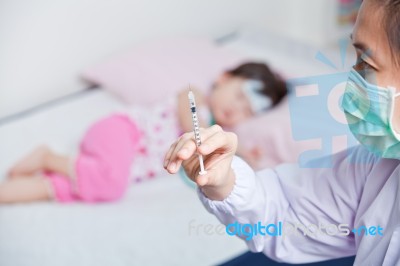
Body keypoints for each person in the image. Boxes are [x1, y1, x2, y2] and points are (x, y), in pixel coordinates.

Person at [164, 0, 400, 265]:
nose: (352, 82)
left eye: (367, 64)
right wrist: (226, 181)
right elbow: (284, 212)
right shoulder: (375, 167)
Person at [0, 62, 287, 204]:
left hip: (119, 165)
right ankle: (49, 157)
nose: (236, 110)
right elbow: (190, 122)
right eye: (238, 96)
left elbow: (221, 163)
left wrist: (245, 155)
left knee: (64, 188)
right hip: (121, 132)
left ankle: (24, 185)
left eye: (247, 111)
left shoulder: (219, 133)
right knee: (111, 186)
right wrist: (203, 137)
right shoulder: (194, 95)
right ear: (224, 78)